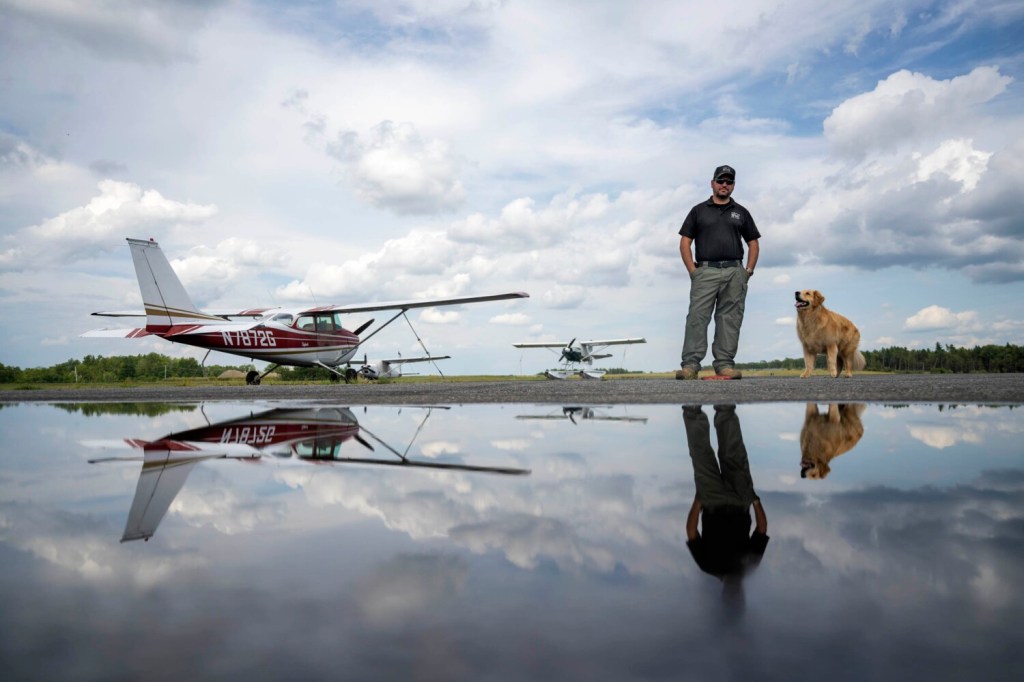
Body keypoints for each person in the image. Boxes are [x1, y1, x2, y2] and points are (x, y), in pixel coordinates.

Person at [676, 164, 760, 380]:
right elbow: (685, 242)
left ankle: (724, 365)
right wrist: (693, 271)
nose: (724, 185)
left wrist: (747, 271)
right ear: (712, 183)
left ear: (733, 186)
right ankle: (690, 366)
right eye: (721, 181)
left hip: (734, 271)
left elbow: (753, 243)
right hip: (705, 271)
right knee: (697, 317)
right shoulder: (698, 211)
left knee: (729, 319)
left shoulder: (741, 212)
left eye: (729, 182)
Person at [683, 404, 768, 611]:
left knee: (700, 455)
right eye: (738, 596)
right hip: (741, 500)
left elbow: (692, 533)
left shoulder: (707, 566)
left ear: (723, 594)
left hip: (710, 501)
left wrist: (698, 500)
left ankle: (692, 410)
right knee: (734, 452)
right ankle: (725, 408)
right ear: (743, 595)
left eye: (731, 596)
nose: (735, 592)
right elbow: (761, 530)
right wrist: (754, 500)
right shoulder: (749, 567)